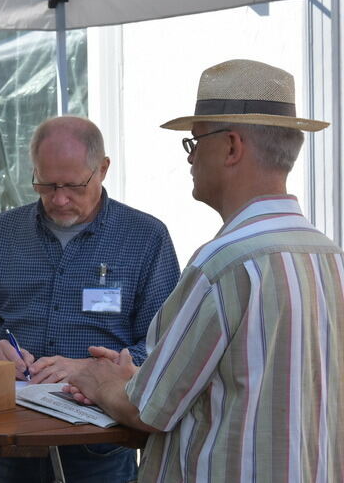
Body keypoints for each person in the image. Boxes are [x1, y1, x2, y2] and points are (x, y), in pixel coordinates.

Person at [64, 59, 344, 482]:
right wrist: (139, 378)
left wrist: (102, 382)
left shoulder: (223, 263)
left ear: (231, 147)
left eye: (195, 142)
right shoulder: (330, 257)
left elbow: (148, 411)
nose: (190, 159)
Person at [0, 116, 181, 482]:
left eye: (72, 185)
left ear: (102, 169)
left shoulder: (145, 238)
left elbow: (164, 347)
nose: (59, 199)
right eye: (46, 184)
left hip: (100, 438)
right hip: (11, 431)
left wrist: (90, 371)